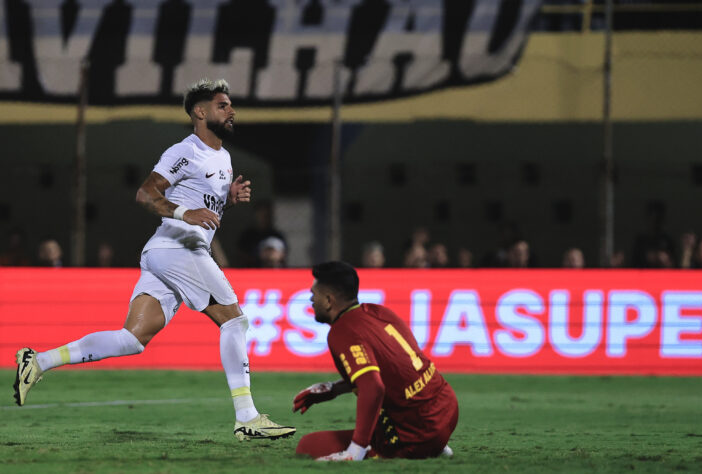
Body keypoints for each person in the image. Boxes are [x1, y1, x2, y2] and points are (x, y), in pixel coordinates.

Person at [13, 78, 295, 441]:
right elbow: (146, 193)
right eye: (222, 105)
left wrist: (228, 196)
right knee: (234, 322)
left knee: (132, 339)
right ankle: (247, 418)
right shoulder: (185, 150)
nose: (231, 110)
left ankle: (37, 362)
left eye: (230, 105)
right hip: (179, 248)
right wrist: (182, 213)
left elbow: (202, 201)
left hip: (168, 252)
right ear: (200, 111)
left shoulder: (222, 157)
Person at [292, 261, 458, 461]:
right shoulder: (378, 312)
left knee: (308, 445)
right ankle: (436, 446)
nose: (311, 300)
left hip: (417, 433)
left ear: (328, 300)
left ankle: (419, 447)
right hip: (447, 410)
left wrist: (356, 450)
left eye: (314, 294)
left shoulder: (342, 331)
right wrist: (335, 389)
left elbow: (373, 387)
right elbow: (396, 370)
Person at [236, 200, 287, 267]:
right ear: (256, 215)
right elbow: (241, 256)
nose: (264, 217)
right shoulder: (247, 236)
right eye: (261, 214)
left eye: (267, 214)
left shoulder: (277, 235)